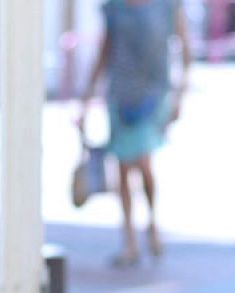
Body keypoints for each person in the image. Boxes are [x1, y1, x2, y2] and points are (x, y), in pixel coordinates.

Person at [78, 0, 191, 267]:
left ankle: (151, 223)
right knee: (122, 166)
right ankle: (129, 238)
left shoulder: (168, 6)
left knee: (143, 160)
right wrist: (86, 97)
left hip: (153, 93)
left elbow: (185, 50)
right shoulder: (114, 7)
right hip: (120, 92)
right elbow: (105, 51)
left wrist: (180, 96)